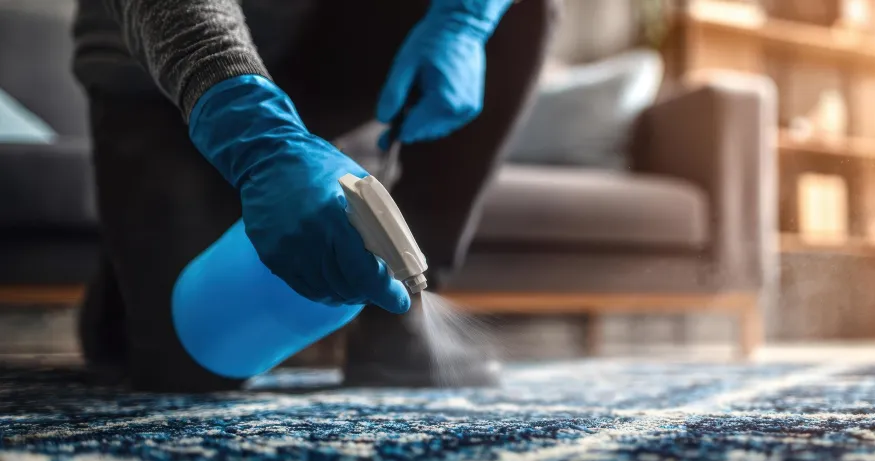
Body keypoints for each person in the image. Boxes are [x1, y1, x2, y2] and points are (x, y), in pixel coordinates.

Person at [70, 0, 557, 392]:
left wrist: (464, 20)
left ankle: (395, 322)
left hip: (325, 50)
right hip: (166, 70)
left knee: (520, 10)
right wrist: (260, 136)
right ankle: (130, 276)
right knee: (191, 368)